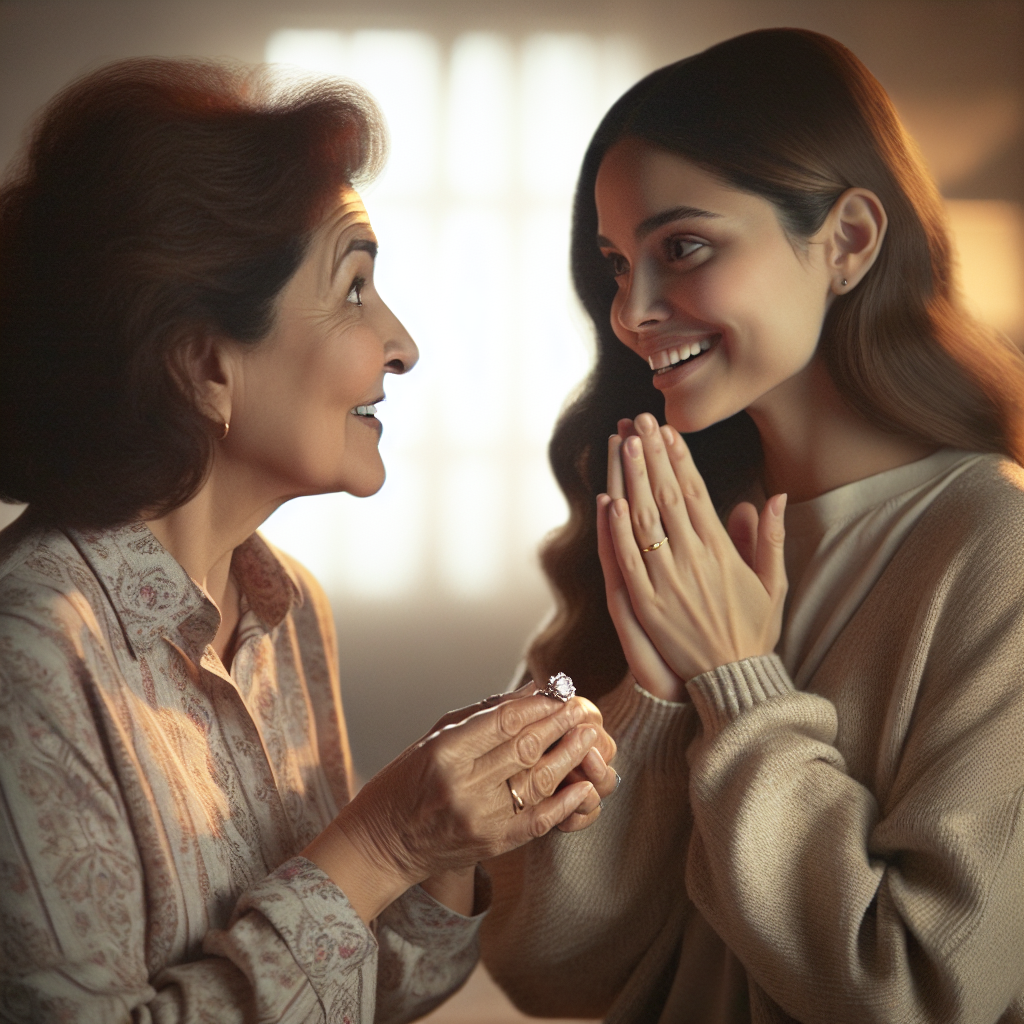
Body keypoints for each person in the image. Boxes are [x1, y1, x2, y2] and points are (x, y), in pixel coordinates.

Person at [0, 58, 619, 1022]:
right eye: (356, 288)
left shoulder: (287, 608)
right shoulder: (32, 647)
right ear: (206, 366)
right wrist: (381, 844)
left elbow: (373, 991)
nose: (402, 344)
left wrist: (447, 832)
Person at [481, 28, 1024, 1024]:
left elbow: (913, 990)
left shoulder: (997, 546)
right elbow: (545, 967)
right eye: (614, 264)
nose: (631, 311)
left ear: (849, 241)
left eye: (682, 247)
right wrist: (650, 699)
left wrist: (736, 683)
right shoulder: (660, 528)